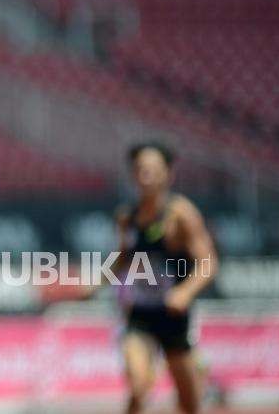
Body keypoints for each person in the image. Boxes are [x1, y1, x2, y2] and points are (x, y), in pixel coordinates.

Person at [100, 142, 219, 414]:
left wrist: (185, 292)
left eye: (152, 170)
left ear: (168, 174)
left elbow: (208, 262)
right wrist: (92, 284)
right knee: (139, 385)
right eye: (140, 170)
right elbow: (120, 260)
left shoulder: (181, 215)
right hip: (140, 314)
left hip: (174, 315)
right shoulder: (126, 218)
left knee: (189, 403)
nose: (146, 176)